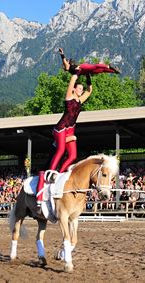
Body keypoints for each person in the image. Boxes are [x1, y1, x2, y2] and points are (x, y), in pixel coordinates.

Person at [35, 48, 95, 210]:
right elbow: (71, 81)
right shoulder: (69, 96)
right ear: (75, 89)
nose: (81, 90)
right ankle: (51, 172)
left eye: (81, 89)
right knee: (61, 150)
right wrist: (75, 72)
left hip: (70, 129)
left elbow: (90, 91)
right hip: (61, 128)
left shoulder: (81, 99)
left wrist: (88, 75)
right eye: (79, 88)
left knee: (73, 154)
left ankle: (60, 173)